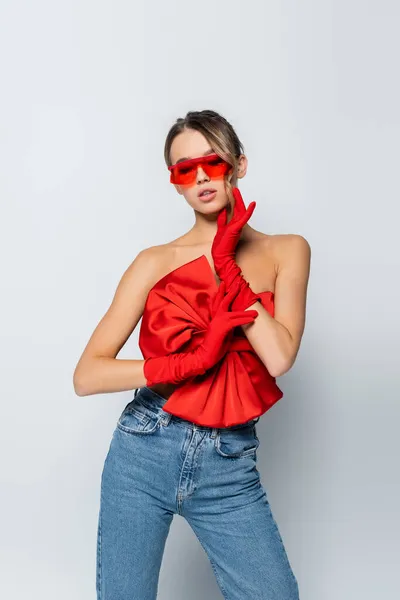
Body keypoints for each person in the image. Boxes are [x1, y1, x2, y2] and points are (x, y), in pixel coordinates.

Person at [73, 109, 311, 599]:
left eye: (212, 161)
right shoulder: (154, 261)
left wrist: (226, 264)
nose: (201, 175)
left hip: (229, 460)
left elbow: (279, 357)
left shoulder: (287, 250)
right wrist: (186, 363)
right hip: (145, 446)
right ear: (175, 181)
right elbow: (87, 374)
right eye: (185, 168)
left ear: (239, 165)